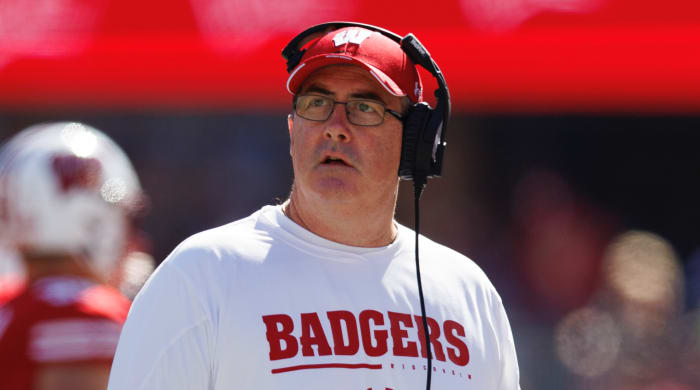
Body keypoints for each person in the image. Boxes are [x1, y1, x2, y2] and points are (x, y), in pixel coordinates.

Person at [108, 23, 520, 389]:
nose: (335, 129)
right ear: (292, 130)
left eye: (364, 108)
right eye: (316, 104)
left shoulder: (469, 294)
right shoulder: (202, 275)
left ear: (414, 143)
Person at [0, 122, 148, 390]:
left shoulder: (10, 302)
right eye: (126, 218)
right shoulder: (83, 313)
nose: (136, 239)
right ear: (90, 220)